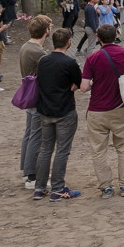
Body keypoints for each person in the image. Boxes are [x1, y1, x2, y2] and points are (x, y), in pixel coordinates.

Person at [80, 24, 124, 197]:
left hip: (97, 111)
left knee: (98, 150)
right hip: (121, 108)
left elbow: (83, 88)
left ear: (98, 38)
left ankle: (106, 187)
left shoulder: (93, 58)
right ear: (117, 35)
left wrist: (94, 83)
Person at [33, 28, 83, 200]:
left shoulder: (43, 61)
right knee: (62, 150)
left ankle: (39, 187)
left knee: (45, 149)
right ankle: (58, 188)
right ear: (69, 41)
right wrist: (74, 85)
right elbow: (79, 82)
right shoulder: (69, 63)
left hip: (45, 109)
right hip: (64, 110)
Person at [18, 14, 52, 188]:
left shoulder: (26, 46)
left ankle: (26, 170)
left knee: (29, 133)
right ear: (46, 31)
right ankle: (32, 176)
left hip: (29, 94)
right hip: (37, 96)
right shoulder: (38, 52)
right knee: (36, 136)